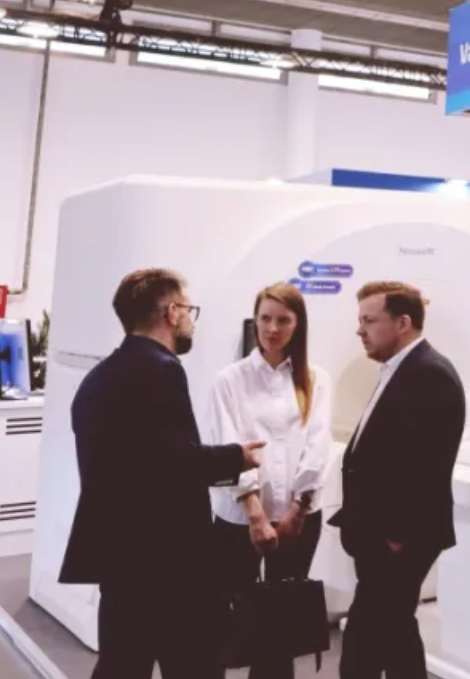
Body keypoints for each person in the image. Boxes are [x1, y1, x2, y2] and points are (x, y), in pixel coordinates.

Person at [61, 268, 265, 679]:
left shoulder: (99, 377)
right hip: (170, 563)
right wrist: (235, 458)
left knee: (122, 664)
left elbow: (138, 463)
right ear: (172, 312)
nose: (191, 320)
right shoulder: (161, 369)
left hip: (121, 558)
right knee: (195, 664)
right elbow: (174, 464)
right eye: (189, 310)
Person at [332, 282, 467, 679]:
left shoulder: (430, 374)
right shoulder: (400, 369)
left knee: (367, 636)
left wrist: (397, 534)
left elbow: (428, 463)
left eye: (369, 320)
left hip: (398, 538)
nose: (360, 330)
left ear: (403, 322)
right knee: (393, 630)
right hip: (381, 532)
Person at [210, 284, 333, 679]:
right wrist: (255, 514)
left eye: (283, 320)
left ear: (298, 325)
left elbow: (318, 445)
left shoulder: (316, 379)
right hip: (239, 518)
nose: (272, 328)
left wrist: (298, 507)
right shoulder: (229, 380)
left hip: (298, 517)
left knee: (281, 622)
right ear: (255, 320)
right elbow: (228, 446)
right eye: (265, 318)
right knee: (225, 615)